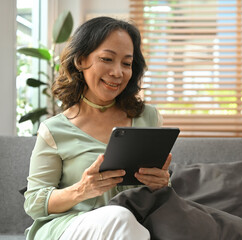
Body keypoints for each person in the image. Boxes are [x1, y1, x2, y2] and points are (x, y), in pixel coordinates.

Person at [24, 16, 171, 240]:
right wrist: (82, 189)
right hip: (69, 227)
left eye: (126, 63)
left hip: (132, 227)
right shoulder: (54, 129)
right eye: (107, 59)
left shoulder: (148, 118)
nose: (117, 72)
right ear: (81, 60)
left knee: (131, 224)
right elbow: (34, 203)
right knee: (119, 219)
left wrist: (162, 182)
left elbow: (160, 193)